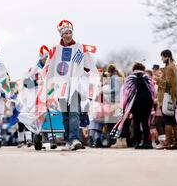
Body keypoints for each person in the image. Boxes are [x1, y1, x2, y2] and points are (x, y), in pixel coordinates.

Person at [44, 20, 98, 151]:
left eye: (69, 32)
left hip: (75, 85)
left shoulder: (79, 47)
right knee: (65, 114)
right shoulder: (55, 50)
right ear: (61, 35)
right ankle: (69, 140)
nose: (68, 35)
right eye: (65, 33)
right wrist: (49, 86)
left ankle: (74, 138)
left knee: (74, 112)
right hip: (60, 86)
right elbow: (49, 68)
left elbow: (87, 63)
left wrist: (83, 72)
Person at [111, 62, 155, 149]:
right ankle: (147, 142)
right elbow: (152, 90)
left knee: (137, 122)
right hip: (147, 101)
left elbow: (125, 92)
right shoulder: (147, 77)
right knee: (145, 122)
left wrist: (124, 106)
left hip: (135, 101)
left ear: (134, 69)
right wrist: (152, 101)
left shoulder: (130, 78)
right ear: (143, 69)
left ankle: (138, 143)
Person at [156, 50, 177, 149]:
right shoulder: (171, 66)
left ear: (166, 57)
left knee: (168, 120)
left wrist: (158, 80)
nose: (161, 59)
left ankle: (168, 142)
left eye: (162, 57)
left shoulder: (170, 67)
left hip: (167, 97)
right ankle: (176, 142)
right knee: (173, 121)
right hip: (169, 97)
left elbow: (169, 84)